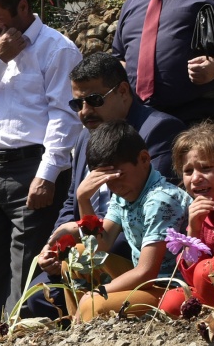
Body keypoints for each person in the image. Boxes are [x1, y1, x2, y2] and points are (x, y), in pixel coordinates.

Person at [0, 0, 83, 328]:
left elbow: (65, 117)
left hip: (33, 167)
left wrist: (47, 174)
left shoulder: (57, 48)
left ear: (23, 7)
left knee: (26, 258)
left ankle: (25, 335)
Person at [21, 52, 185, 318]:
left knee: (82, 285)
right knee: (37, 297)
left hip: (140, 253)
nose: (85, 111)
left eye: (94, 100)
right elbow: (72, 202)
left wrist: (79, 240)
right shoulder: (85, 138)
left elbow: (144, 217)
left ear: (122, 91)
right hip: (99, 241)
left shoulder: (158, 131)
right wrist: (56, 246)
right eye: (77, 103)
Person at [40, 121, 190, 322]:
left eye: (119, 176)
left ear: (144, 158)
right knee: (77, 259)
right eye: (107, 181)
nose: (115, 187)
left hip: (170, 286)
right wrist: (83, 199)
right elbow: (99, 248)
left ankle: (84, 322)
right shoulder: (124, 194)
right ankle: (79, 328)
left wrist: (97, 293)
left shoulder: (161, 200)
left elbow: (147, 272)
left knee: (97, 304)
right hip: (147, 281)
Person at [156, 123, 214, 317]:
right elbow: (190, 278)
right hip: (213, 288)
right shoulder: (199, 209)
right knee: (170, 302)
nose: (195, 179)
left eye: (206, 168)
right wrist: (194, 229)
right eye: (188, 171)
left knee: (209, 270)